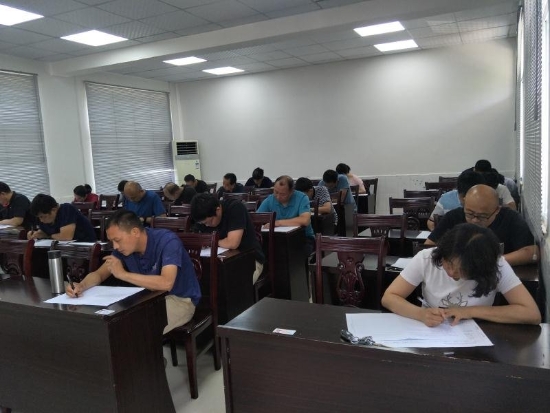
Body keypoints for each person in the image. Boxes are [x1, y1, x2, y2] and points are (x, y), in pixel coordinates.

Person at [65, 210, 201, 334]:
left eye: (117, 240)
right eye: (112, 242)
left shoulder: (167, 241)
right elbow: (99, 274)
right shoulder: (123, 249)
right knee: (108, 324)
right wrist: (81, 285)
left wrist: (123, 274)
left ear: (135, 232)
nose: (115, 247)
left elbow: (166, 283)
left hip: (180, 300)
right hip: (147, 299)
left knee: (133, 329)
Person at [382, 223, 541, 327]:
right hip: (432, 330)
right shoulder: (426, 258)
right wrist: (421, 314)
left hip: (479, 333)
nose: (452, 273)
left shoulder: (497, 265)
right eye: (449, 264)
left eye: (461, 270)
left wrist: (469, 312)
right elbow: (389, 297)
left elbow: (531, 313)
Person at [425, 185, 538, 266]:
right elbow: (429, 245)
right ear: (464, 204)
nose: (474, 220)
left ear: (497, 210)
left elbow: (533, 252)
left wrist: (493, 262)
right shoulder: (453, 217)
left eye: (482, 216)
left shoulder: (510, 218)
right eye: (469, 214)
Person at [191, 193, 266, 283]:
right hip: (218, 263)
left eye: (209, 222)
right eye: (203, 223)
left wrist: (211, 241)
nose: (206, 225)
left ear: (218, 210)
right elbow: (196, 240)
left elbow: (232, 243)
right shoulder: (202, 216)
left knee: (234, 286)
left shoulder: (235, 207)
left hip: (250, 260)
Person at [257, 175, 314, 255]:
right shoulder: (270, 199)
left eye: (283, 194)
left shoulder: (302, 198)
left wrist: (277, 223)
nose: (278, 197)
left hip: (303, 238)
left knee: (289, 253)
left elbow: (305, 220)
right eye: (276, 192)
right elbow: (256, 218)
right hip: (277, 238)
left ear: (291, 192)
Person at [28, 193, 97, 242]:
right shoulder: (44, 217)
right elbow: (45, 232)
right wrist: (36, 234)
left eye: (42, 217)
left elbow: (66, 237)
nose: (41, 220)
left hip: (85, 246)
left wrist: (48, 236)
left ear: (53, 210)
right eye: (39, 217)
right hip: (64, 249)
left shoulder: (67, 209)